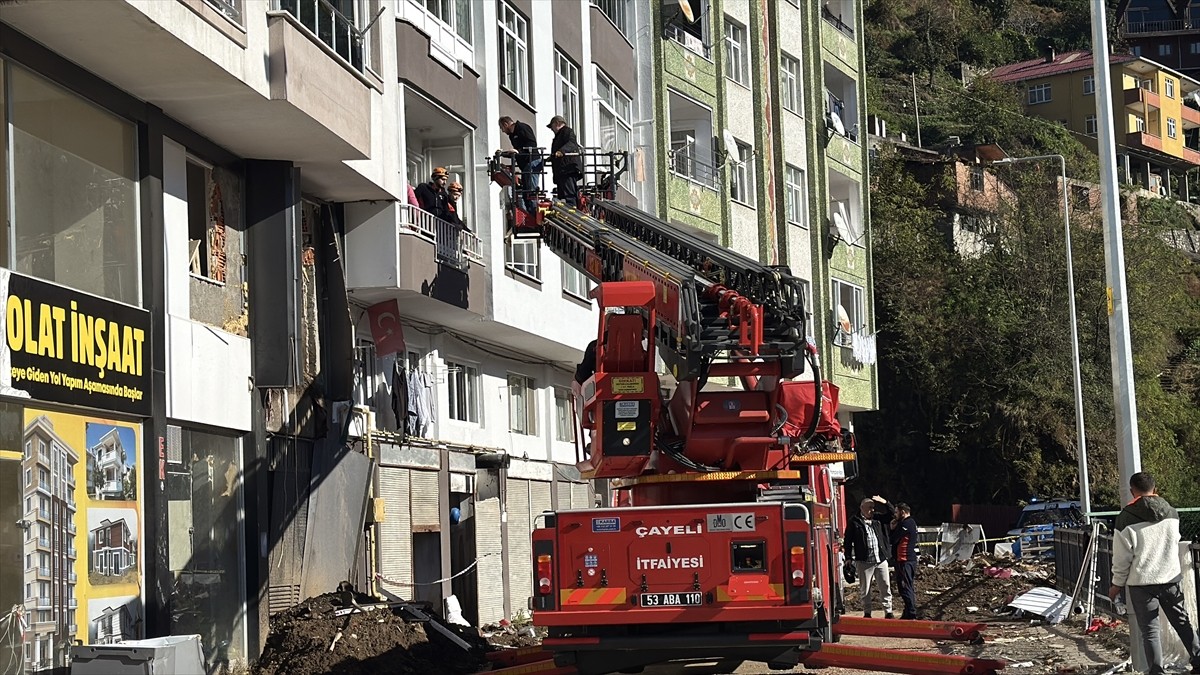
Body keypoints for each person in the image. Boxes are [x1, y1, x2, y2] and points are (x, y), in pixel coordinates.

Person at [1109, 472, 1200, 675]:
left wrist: (1117, 584)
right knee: (1182, 622)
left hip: (1141, 582)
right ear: (1155, 489)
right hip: (1170, 577)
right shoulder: (1171, 512)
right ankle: (1199, 660)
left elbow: (1122, 558)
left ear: (1132, 491)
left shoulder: (1125, 518)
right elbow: (1175, 539)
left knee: (1150, 631)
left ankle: (1157, 671)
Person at [844, 496, 894, 619]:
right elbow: (848, 541)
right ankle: (867, 612)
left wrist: (885, 502)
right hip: (864, 561)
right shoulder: (854, 521)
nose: (872, 510)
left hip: (880, 559)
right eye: (869, 508)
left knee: (885, 586)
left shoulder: (878, 519)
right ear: (862, 508)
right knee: (865, 588)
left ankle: (888, 611)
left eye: (873, 508)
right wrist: (848, 557)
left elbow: (892, 515)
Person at [498, 116, 541, 210]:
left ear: (506, 124)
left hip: (531, 161)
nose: (503, 131)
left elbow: (532, 144)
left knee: (530, 191)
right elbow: (517, 151)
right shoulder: (512, 135)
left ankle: (534, 212)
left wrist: (519, 152)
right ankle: (531, 211)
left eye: (502, 128)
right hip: (526, 164)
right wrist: (505, 154)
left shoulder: (522, 128)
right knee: (527, 192)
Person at [890, 502, 919, 619]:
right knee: (907, 586)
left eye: (896, 512)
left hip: (904, 560)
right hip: (907, 560)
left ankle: (911, 612)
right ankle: (907, 612)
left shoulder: (906, 524)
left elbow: (893, 539)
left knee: (905, 587)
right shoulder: (910, 522)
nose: (895, 515)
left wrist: (892, 529)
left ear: (903, 512)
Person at [548, 115, 584, 206]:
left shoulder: (567, 131)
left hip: (568, 169)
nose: (551, 129)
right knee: (563, 195)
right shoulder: (560, 135)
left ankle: (572, 211)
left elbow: (572, 143)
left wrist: (561, 151)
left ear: (557, 123)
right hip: (562, 170)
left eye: (551, 126)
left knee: (569, 195)